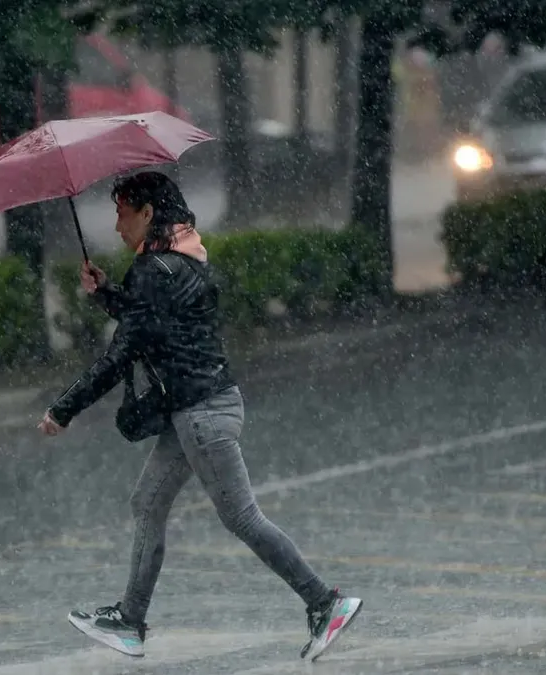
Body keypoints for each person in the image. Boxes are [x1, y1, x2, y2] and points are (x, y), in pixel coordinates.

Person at [36, 171, 362, 662]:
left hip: (201, 415)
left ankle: (324, 602)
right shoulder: (182, 260)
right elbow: (152, 322)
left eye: (123, 211)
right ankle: (130, 620)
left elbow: (122, 354)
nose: (117, 222)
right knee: (147, 503)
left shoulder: (152, 271)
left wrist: (63, 410)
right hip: (202, 407)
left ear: (148, 213)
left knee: (242, 517)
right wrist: (106, 293)